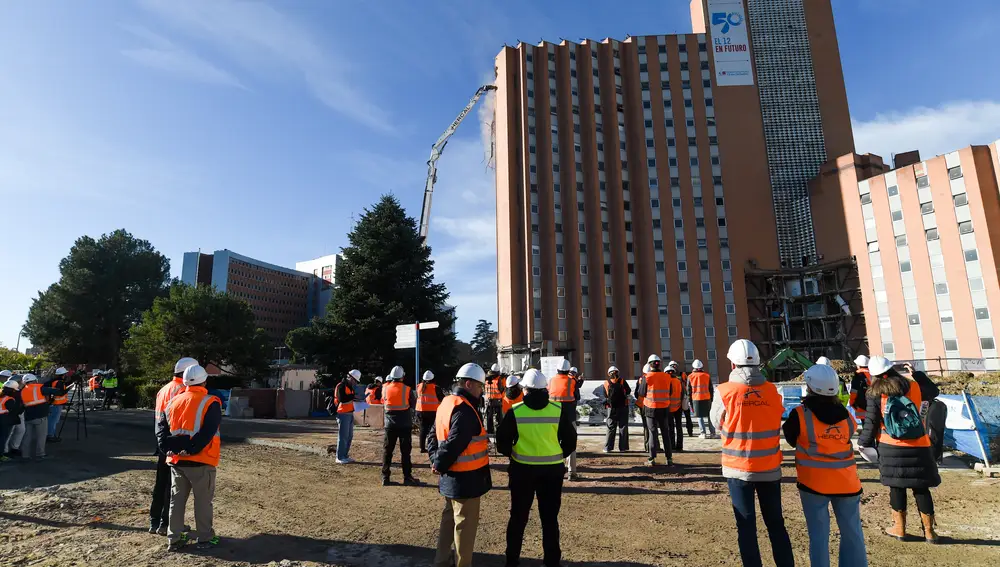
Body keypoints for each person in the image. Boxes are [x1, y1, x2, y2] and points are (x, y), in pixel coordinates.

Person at [711, 339, 793, 567]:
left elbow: (716, 423)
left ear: (732, 364)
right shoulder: (772, 391)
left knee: (746, 525)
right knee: (776, 524)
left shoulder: (725, 391)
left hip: (738, 469)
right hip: (769, 468)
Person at [783, 364, 867, 567]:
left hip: (814, 485)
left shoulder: (800, 414)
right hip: (847, 483)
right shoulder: (847, 416)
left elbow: (791, 438)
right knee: (853, 533)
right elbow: (847, 435)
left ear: (810, 386)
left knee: (819, 536)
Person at [497, 368, 577, 567]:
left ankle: (512, 560)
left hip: (522, 471)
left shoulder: (515, 412)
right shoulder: (557, 410)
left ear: (525, 389)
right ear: (545, 389)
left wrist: (515, 453)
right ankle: (551, 561)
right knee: (549, 519)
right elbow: (570, 441)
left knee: (518, 518)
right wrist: (557, 455)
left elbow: (501, 442)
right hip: (552, 472)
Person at [857, 356, 941, 544]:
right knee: (921, 488)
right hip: (919, 444)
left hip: (890, 445)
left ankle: (899, 529)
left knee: (897, 487)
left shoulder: (875, 392)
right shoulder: (914, 385)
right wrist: (917, 373)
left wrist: (864, 443)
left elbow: (871, 422)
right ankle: (929, 532)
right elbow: (934, 391)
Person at [428, 363, 492, 567]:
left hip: (451, 478)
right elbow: (455, 442)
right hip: (466, 479)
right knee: (464, 526)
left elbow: (431, 436)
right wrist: (439, 463)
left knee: (449, 520)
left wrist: (436, 461)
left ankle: (441, 561)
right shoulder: (465, 410)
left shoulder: (447, 402)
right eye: (480, 386)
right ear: (468, 384)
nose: (482, 390)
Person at [157, 364, 222, 551]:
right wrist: (192, 449)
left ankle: (174, 538)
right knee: (202, 501)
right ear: (205, 380)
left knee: (176, 501)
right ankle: (205, 538)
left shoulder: (172, 402)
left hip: (177, 461)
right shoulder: (211, 402)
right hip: (202, 460)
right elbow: (207, 432)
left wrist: (167, 448)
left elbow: (162, 431)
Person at [150, 357, 198, 535]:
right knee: (173, 487)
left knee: (160, 484)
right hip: (174, 442)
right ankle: (166, 524)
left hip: (161, 440)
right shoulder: (182, 390)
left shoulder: (164, 389)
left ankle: (154, 522)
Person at [382, 365, 419, 486]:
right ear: (402, 377)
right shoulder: (407, 389)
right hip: (404, 424)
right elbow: (413, 405)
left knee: (387, 451)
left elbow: (384, 402)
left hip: (389, 425)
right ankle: (407, 477)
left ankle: (385, 477)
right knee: (405, 452)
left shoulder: (384, 388)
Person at [635, 355, 673, 467]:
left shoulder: (647, 377)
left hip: (651, 409)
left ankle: (652, 458)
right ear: (659, 364)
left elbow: (641, 393)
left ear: (649, 364)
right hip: (664, 408)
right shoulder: (667, 377)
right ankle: (669, 458)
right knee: (665, 433)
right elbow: (670, 392)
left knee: (652, 432)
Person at [547, 359, 581, 480]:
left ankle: (553, 469)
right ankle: (572, 472)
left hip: (553, 417)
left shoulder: (550, 381)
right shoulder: (572, 382)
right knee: (571, 443)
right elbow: (577, 396)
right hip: (569, 417)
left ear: (557, 369)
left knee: (553, 443)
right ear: (568, 370)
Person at [20, 374, 49, 461]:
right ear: (35, 380)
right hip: (40, 416)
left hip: (28, 416)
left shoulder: (22, 390)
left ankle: (25, 455)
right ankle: (40, 454)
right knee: (41, 436)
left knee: (27, 437)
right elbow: (57, 391)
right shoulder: (39, 388)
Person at [602, 365, 630, 453]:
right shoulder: (622, 381)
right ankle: (623, 448)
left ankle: (608, 447)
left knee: (610, 427)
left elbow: (605, 395)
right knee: (623, 427)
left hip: (611, 408)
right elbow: (628, 391)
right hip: (623, 407)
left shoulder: (606, 382)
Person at [335, 369, 360, 464]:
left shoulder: (350, 387)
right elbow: (342, 399)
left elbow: (349, 397)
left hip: (349, 413)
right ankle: (340, 457)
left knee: (349, 436)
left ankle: (344, 455)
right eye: (355, 380)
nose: (355, 382)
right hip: (343, 413)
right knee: (343, 436)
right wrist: (353, 397)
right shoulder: (341, 386)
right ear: (350, 378)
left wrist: (355, 398)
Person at [417, 370, 444, 454]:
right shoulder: (435, 388)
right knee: (433, 430)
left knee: (423, 430)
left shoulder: (419, 386)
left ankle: (422, 447)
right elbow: (442, 399)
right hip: (432, 412)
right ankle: (433, 446)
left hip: (420, 411)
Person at [688, 359, 716, 438]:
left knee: (699, 417)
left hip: (696, 399)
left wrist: (690, 401)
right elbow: (711, 389)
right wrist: (711, 399)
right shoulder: (707, 376)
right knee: (710, 416)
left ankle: (703, 433)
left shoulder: (690, 376)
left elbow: (688, 390)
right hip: (707, 398)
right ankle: (712, 433)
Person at [45, 367, 70, 442]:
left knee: (52, 420)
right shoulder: (59, 382)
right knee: (53, 420)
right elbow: (60, 392)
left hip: (55, 403)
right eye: (65, 374)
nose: (66, 375)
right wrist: (68, 388)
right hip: (56, 404)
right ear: (63, 374)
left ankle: (51, 434)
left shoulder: (55, 382)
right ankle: (50, 435)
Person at [2, 371, 25, 456]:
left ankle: (14, 447)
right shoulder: (10, 393)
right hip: (11, 414)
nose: (22, 383)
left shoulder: (19, 391)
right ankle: (5, 450)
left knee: (21, 430)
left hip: (19, 413)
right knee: (9, 432)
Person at [665, 361, 685, 451]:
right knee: (679, 426)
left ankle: (672, 445)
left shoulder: (666, 382)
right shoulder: (678, 381)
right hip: (678, 407)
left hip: (669, 408)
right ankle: (679, 446)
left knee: (670, 427)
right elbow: (682, 393)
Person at [849, 355, 872, 424]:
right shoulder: (875, 374)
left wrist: (852, 403)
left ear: (858, 365)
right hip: (877, 408)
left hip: (862, 407)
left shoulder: (857, 377)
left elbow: (854, 392)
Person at [484, 364, 504, 435]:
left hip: (488, 400)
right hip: (497, 401)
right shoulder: (498, 379)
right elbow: (501, 389)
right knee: (499, 417)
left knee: (489, 417)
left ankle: (490, 431)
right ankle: (500, 431)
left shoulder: (486, 378)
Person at [635, 364, 651, 452]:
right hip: (651, 405)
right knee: (652, 426)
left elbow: (637, 393)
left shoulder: (640, 380)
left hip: (642, 405)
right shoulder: (653, 378)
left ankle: (647, 446)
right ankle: (653, 446)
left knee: (646, 426)